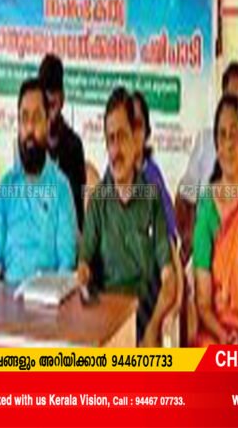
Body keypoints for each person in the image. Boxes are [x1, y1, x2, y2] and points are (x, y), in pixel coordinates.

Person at [78, 87, 177, 346]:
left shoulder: (151, 199)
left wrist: (154, 326)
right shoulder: (98, 201)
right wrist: (82, 276)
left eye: (121, 137)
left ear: (136, 140)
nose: (115, 150)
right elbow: (84, 264)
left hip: (143, 320)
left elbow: (169, 279)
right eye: (110, 139)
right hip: (105, 323)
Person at [0, 78, 76, 285]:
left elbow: (66, 264)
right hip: (6, 296)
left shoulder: (61, 188)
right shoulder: (6, 186)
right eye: (24, 119)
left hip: (47, 297)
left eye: (37, 118)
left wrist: (48, 295)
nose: (30, 128)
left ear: (48, 123)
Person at [193, 95, 238, 345]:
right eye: (222, 135)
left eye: (235, 134)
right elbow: (203, 302)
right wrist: (226, 338)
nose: (229, 144)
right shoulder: (207, 207)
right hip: (217, 332)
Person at [176, 61, 238, 262]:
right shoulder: (205, 142)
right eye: (232, 99)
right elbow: (184, 195)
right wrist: (189, 238)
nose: (236, 108)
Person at [39, 54, 86, 231]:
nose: (50, 101)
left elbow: (77, 208)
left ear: (62, 98)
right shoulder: (30, 145)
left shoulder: (74, 146)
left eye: (53, 101)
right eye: (46, 101)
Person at [131, 90, 177, 242]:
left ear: (146, 131)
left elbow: (170, 233)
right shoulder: (111, 175)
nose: (132, 132)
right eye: (128, 124)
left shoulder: (153, 175)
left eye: (137, 124)